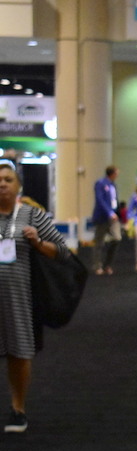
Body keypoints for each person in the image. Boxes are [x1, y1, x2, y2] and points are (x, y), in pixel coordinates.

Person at [0, 160, 70, 433]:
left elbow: (62, 250)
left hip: (19, 297)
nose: (2, 184)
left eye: (8, 180)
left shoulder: (32, 215)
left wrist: (38, 243)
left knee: (19, 352)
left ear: (18, 185)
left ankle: (18, 408)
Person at [91, 165, 121, 275]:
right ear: (112, 173)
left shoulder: (113, 185)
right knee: (99, 242)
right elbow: (100, 200)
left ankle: (107, 264)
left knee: (117, 238)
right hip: (102, 216)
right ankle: (97, 265)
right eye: (117, 173)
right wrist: (109, 212)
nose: (118, 175)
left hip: (113, 217)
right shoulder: (100, 183)